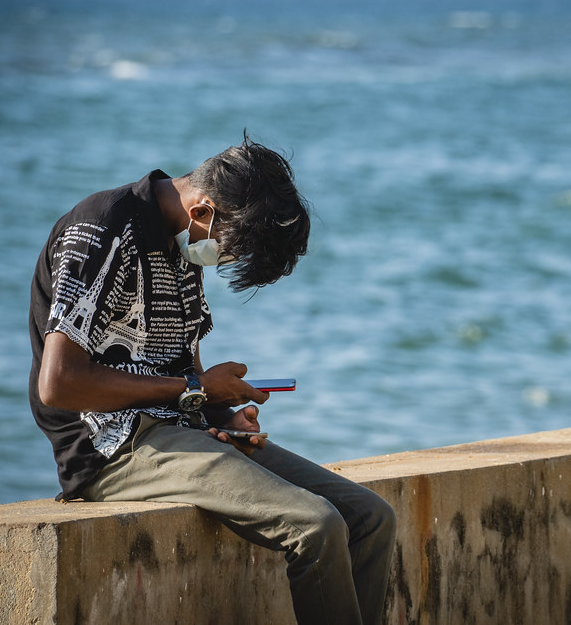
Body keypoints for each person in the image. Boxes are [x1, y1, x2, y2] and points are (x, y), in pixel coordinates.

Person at [28, 135, 396, 625]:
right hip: (111, 448)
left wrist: (218, 414)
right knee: (316, 525)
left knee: (370, 518)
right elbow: (58, 384)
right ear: (204, 211)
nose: (221, 260)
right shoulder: (101, 228)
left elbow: (182, 372)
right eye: (230, 249)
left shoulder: (183, 240)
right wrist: (196, 392)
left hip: (177, 430)